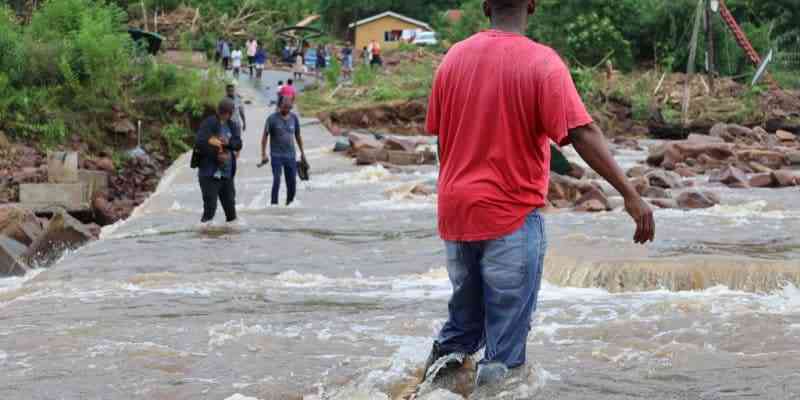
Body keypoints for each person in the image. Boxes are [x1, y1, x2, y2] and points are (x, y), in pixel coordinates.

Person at [423, 0, 655, 390]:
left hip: (456, 212)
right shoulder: (541, 63)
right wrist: (631, 195)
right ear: (532, 5)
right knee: (505, 348)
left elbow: (444, 139)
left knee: (461, 327)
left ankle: (427, 389)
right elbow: (580, 132)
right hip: (510, 215)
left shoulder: (453, 60)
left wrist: (454, 193)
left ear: (485, 7)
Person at [195, 98, 243, 223]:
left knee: (231, 212)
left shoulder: (233, 125)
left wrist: (229, 144)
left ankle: (228, 240)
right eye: (223, 112)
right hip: (209, 174)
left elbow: (238, 144)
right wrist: (216, 154)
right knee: (210, 209)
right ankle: (204, 237)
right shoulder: (209, 123)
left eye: (227, 112)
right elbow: (200, 142)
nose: (225, 115)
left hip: (227, 175)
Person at [261, 96, 306, 206]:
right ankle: (274, 205)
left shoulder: (294, 118)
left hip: (291, 156)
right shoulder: (271, 119)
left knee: (292, 183)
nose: (286, 109)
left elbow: (298, 136)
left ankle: (289, 204)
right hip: (276, 155)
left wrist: (302, 153)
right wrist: (263, 154)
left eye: (288, 107)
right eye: (284, 107)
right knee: (277, 180)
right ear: (279, 106)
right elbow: (264, 137)